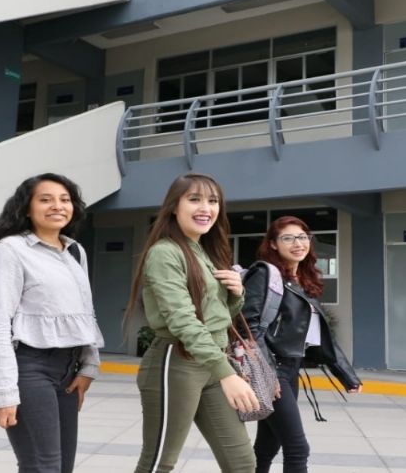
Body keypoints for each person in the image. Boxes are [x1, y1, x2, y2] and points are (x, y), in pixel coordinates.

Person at [0, 173, 104, 473]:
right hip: (26, 368)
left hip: (67, 371)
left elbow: (86, 312)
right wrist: (4, 392)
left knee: (62, 467)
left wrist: (88, 366)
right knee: (43, 467)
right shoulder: (10, 250)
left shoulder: (74, 251)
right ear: (27, 209)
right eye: (45, 200)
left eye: (65, 199)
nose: (57, 206)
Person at [125, 173, 258, 473]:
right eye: (194, 199)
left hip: (211, 363)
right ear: (174, 206)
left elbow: (218, 315)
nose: (206, 208)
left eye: (213, 201)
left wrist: (237, 293)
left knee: (242, 463)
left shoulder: (205, 251)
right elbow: (183, 321)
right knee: (160, 461)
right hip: (177, 361)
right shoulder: (165, 252)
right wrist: (227, 374)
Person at [242, 216, 363, 473]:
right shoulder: (265, 274)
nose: (298, 243)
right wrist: (268, 374)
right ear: (273, 244)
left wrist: (346, 375)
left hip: (291, 370)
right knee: (297, 448)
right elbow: (249, 326)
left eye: (302, 237)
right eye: (288, 238)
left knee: (267, 445)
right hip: (273, 371)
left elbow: (320, 336)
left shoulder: (303, 281)